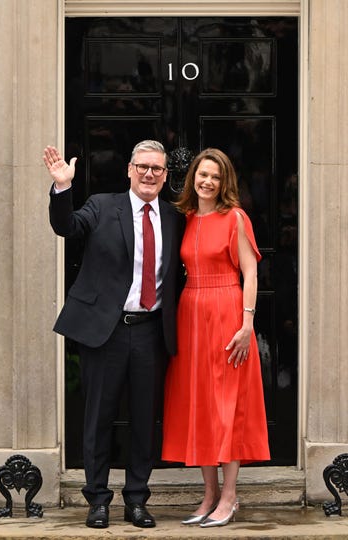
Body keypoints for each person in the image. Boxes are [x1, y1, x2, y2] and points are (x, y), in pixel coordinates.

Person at [43, 140, 185, 529]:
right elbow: (66, 227)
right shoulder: (103, 206)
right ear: (129, 169)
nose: (149, 174)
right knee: (99, 419)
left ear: (165, 175)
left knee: (144, 421)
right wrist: (62, 188)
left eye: (157, 168)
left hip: (151, 334)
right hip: (106, 332)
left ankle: (137, 500)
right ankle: (98, 500)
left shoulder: (174, 218)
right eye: (142, 166)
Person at [162, 148, 270, 528]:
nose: (207, 181)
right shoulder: (187, 218)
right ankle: (208, 495)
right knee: (201, 406)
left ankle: (229, 496)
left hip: (227, 311)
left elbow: (251, 273)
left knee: (227, 408)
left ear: (225, 183)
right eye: (202, 174)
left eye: (215, 177)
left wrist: (246, 325)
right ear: (193, 176)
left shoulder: (235, 217)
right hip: (191, 313)